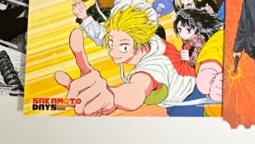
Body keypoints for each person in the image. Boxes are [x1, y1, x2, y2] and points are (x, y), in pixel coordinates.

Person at [54, 6, 198, 115]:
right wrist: (86, 19)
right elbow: (112, 36)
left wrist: (112, 97)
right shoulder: (148, 40)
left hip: (189, 102)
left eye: (123, 47)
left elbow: (137, 89)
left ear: (139, 45)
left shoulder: (155, 65)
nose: (112, 52)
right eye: (111, 44)